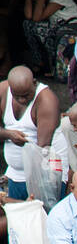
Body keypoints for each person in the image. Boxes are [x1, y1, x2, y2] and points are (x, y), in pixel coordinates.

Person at [0, 66, 59, 204]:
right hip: (15, 174)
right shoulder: (3, 91)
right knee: (17, 219)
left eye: (26, 95)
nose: (21, 100)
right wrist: (8, 134)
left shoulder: (46, 100)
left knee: (37, 214)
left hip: (40, 175)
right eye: (17, 95)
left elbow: (42, 149)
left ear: (34, 82)